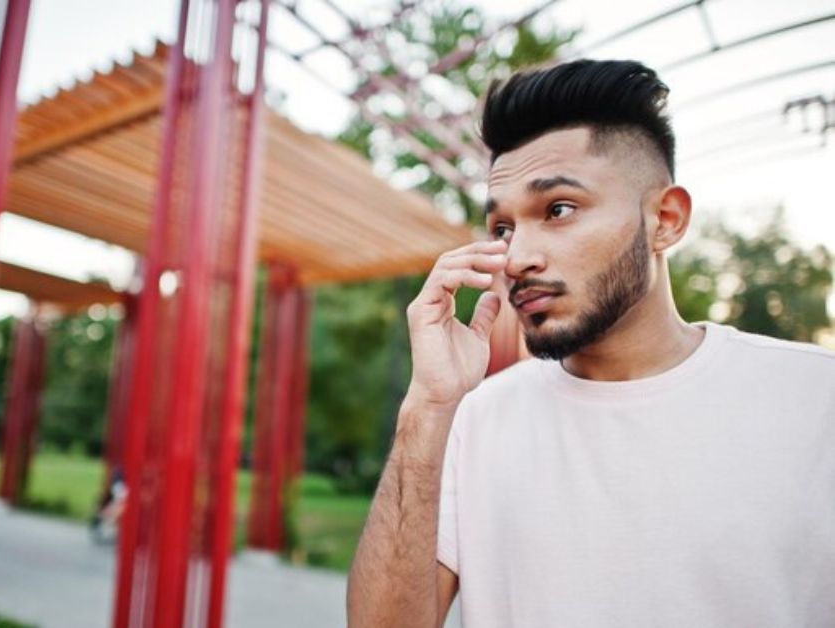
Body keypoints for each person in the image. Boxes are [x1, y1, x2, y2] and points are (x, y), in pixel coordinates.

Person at [347, 59, 835, 628]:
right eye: (502, 228)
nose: (516, 256)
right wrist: (427, 404)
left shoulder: (814, 400)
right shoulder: (474, 419)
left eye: (558, 209)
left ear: (666, 220)